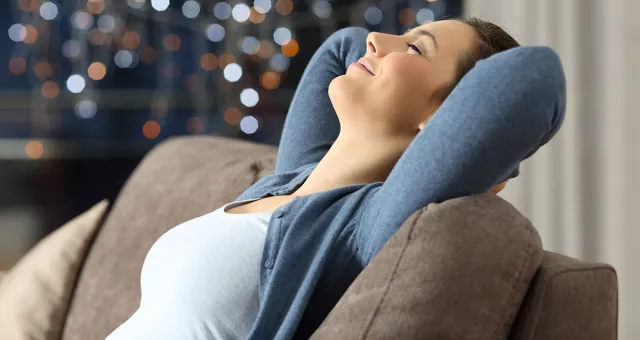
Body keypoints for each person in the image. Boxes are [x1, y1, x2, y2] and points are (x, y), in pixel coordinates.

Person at [106, 18, 567, 340]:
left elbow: (534, 76)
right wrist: (407, 53)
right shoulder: (288, 181)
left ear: (448, 117)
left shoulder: (363, 225)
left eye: (414, 48)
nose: (375, 40)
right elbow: (342, 45)